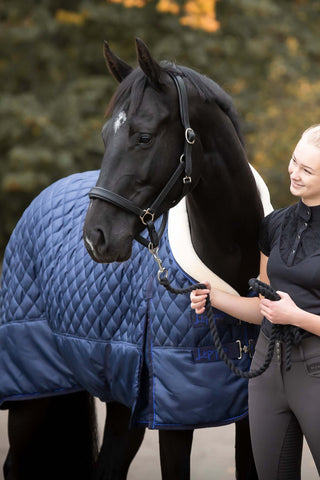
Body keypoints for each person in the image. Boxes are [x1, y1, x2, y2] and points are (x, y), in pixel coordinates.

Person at [190, 124, 320, 480]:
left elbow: (285, 312)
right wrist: (214, 297)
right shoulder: (275, 225)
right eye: (294, 161)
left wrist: (297, 316)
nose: (293, 172)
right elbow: (261, 306)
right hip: (266, 372)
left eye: (307, 170)